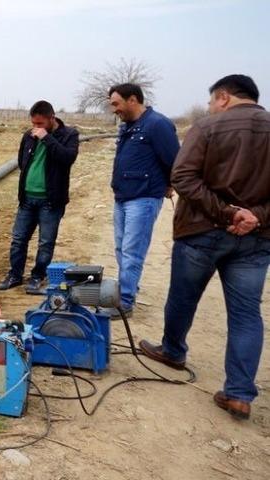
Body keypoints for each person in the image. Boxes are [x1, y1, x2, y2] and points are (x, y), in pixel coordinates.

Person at [139, 75, 270, 420]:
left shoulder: (208, 126)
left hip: (202, 230)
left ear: (224, 97)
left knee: (183, 297)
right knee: (246, 314)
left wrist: (225, 213)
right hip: (255, 238)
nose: (211, 106)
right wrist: (253, 216)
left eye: (212, 100)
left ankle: (172, 350)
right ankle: (240, 394)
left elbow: (182, 176)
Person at [107, 83, 180, 317]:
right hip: (123, 196)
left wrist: (169, 184)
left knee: (132, 251)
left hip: (144, 197)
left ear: (133, 100)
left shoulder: (157, 125)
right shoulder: (128, 127)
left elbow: (175, 161)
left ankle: (125, 302)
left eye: (116, 104)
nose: (114, 109)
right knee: (121, 248)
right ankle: (128, 288)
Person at [0, 101, 80, 292]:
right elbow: (21, 160)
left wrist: (47, 139)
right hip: (27, 198)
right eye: (34, 123)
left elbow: (68, 158)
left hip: (50, 201)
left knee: (45, 242)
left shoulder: (69, 135)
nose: (36, 127)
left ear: (52, 118)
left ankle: (37, 276)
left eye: (40, 124)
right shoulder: (28, 135)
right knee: (18, 239)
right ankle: (15, 275)